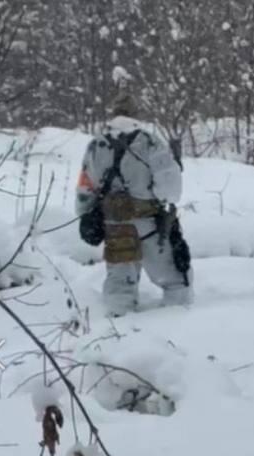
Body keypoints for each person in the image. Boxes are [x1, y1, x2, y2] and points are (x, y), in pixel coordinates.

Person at [75, 93, 191, 317]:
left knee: (120, 286)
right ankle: (179, 321)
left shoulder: (96, 146)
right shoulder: (151, 143)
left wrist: (85, 214)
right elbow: (170, 190)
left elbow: (85, 188)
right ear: (137, 114)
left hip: (115, 227)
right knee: (175, 281)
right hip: (150, 225)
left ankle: (119, 326)